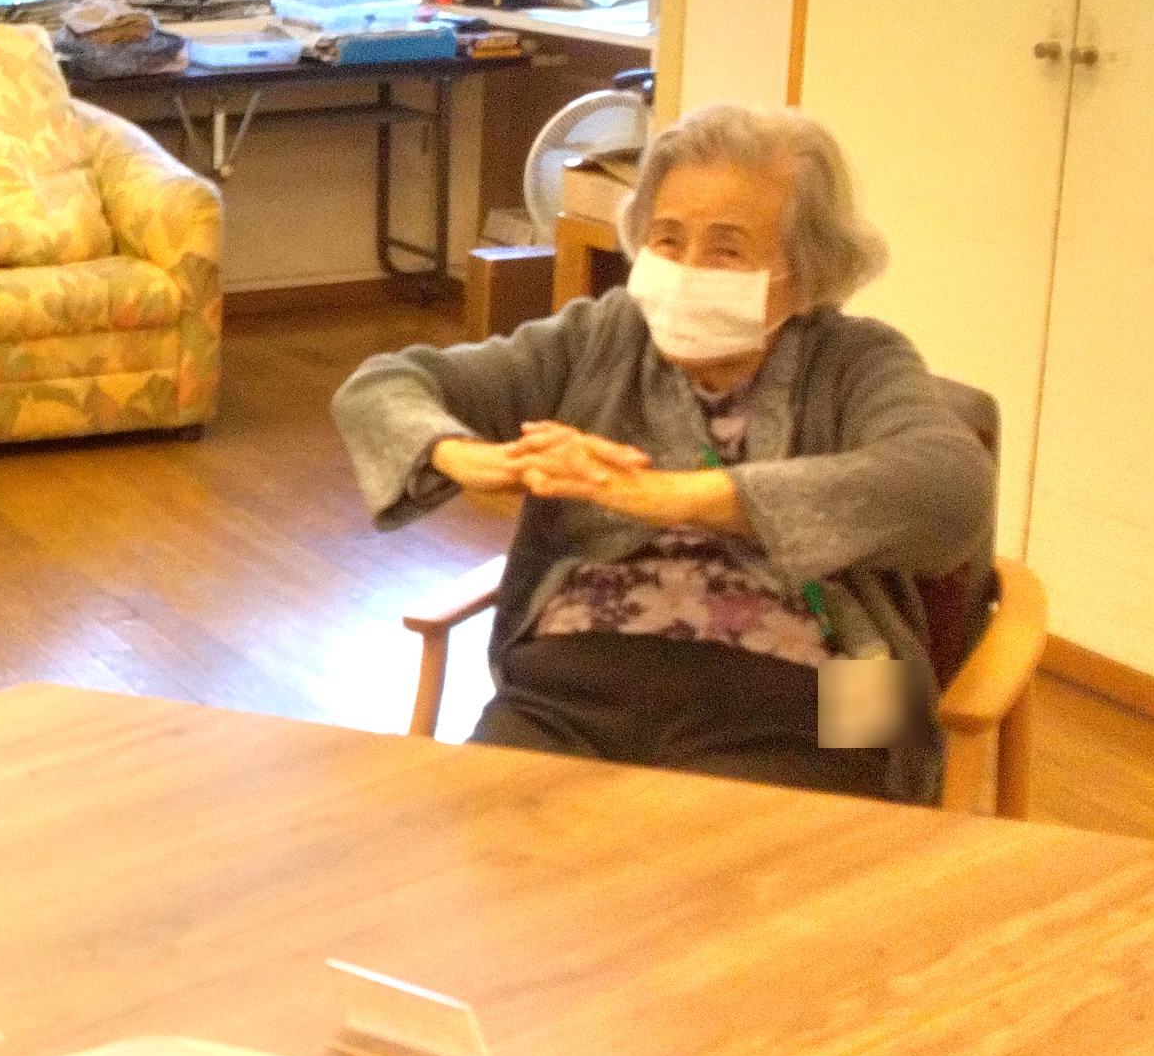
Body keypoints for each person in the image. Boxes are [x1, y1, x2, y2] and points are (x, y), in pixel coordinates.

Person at [332, 102, 993, 802]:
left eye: (727, 251)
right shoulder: (602, 336)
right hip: (580, 676)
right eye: (668, 240)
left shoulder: (857, 359)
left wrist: (680, 497)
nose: (686, 269)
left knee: (792, 862)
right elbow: (385, 383)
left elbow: (951, 486)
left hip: (829, 685)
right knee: (498, 842)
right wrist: (458, 453)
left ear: (806, 274)